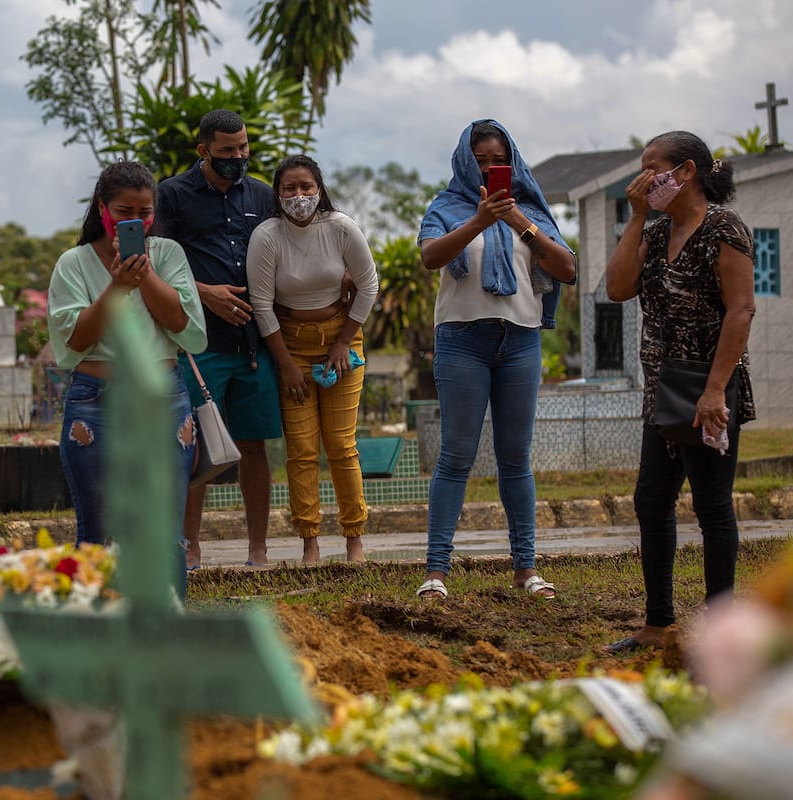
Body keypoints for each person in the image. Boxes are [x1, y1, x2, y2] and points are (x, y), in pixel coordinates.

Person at [602, 131, 755, 653]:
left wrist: (716, 392)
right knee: (652, 501)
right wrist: (638, 217)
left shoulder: (724, 228)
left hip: (709, 388)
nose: (644, 179)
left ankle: (721, 634)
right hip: (663, 388)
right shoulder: (658, 225)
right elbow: (618, 288)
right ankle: (657, 622)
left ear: (685, 171)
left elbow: (741, 310)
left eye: (653, 168)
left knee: (712, 507)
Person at [415, 119, 577, 600]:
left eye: (497, 159)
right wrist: (480, 221)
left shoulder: (528, 209)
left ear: (512, 162)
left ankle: (526, 569)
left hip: (520, 341)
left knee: (515, 457)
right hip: (463, 340)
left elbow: (566, 267)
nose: (489, 167)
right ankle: (436, 573)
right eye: (480, 159)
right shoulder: (446, 207)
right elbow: (430, 257)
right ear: (465, 161)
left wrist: (517, 223)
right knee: (456, 454)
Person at [47, 160, 207, 586]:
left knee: (166, 527)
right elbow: (76, 339)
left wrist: (146, 274)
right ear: (102, 207)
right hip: (95, 397)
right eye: (123, 212)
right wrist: (117, 286)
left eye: (145, 213)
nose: (135, 221)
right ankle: (99, 630)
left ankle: (168, 628)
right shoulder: (74, 263)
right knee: (97, 531)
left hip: (163, 397)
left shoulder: (169, 254)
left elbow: (183, 325)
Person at [155, 109, 282, 569]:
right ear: (203, 150)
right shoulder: (171, 195)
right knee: (193, 445)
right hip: (197, 343)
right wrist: (203, 293)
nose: (238, 157)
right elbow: (156, 259)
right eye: (228, 151)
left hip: (253, 343)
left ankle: (258, 549)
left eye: (243, 148)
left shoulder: (263, 195)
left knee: (254, 445)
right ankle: (189, 546)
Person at [246, 155, 379, 563]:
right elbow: (262, 305)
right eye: (290, 188)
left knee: (341, 444)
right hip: (290, 346)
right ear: (278, 194)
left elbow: (369, 285)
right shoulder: (267, 236)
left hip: (341, 341)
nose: (299, 196)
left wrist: (342, 342)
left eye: (306, 187)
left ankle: (354, 538)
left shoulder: (340, 227)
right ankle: (310, 541)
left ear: (319, 189)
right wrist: (285, 365)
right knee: (301, 450)